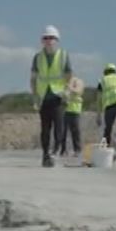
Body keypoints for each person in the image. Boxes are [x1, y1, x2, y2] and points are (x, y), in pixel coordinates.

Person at [29, 25, 73, 167]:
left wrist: (67, 90)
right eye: (46, 38)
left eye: (51, 38)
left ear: (57, 40)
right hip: (43, 97)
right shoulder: (38, 57)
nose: (49, 41)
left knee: (59, 128)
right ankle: (45, 154)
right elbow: (33, 78)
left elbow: (69, 75)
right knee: (45, 129)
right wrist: (35, 96)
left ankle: (55, 152)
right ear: (42, 41)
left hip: (58, 96)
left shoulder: (63, 56)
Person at [57, 76, 84, 161]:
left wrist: (70, 88)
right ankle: (63, 150)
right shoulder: (64, 83)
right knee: (63, 131)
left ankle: (77, 150)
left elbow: (78, 91)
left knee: (75, 131)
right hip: (65, 110)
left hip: (75, 110)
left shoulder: (78, 81)